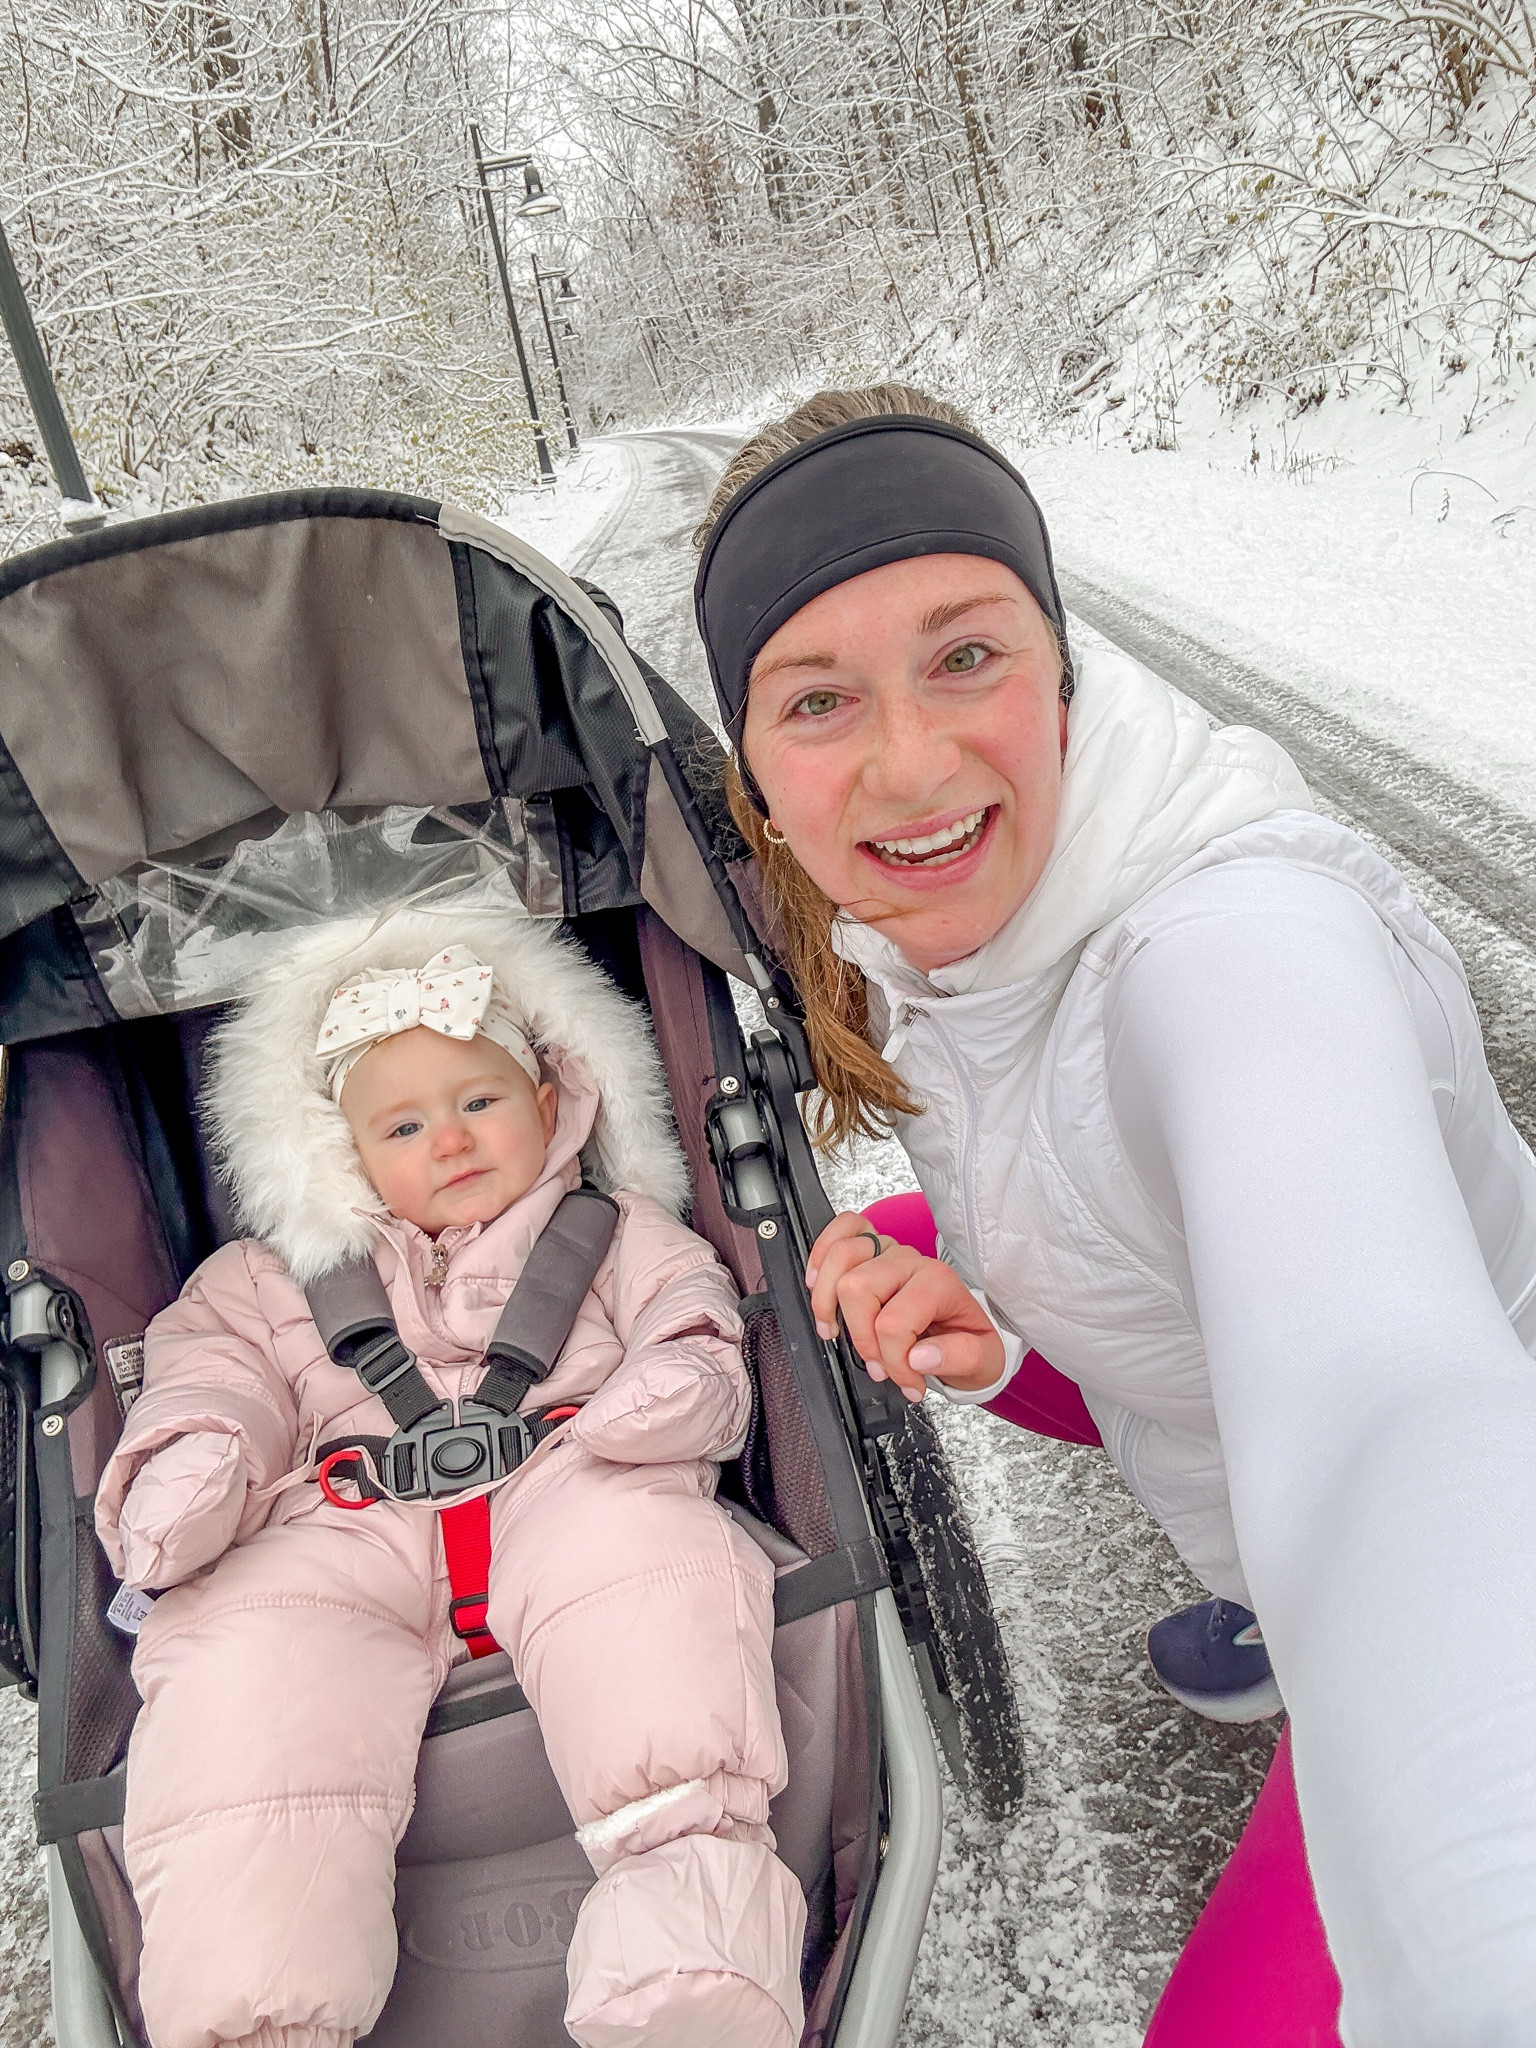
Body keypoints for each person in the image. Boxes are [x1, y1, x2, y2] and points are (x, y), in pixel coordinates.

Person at [691, 383, 1536, 2045]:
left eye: (966, 654)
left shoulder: (1234, 951)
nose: (913, 760)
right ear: (755, 778)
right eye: (818, 698)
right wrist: (1003, 1344)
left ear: (1061, 664)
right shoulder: (960, 955)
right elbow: (1187, 1313)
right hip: (1313, 1569)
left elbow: (1373, 1398)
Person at [94, 910, 804, 2048]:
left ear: (550, 1097)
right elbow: (210, 1373)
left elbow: (692, 1313)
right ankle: (254, 2011)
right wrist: (200, 1454)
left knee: (648, 1565)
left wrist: (677, 1382)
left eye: (482, 1100)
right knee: (248, 1673)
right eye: (404, 1124)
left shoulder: (609, 1227)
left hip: (569, 1474)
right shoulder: (269, 1275)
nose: (453, 1139)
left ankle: (688, 1947)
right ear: (340, 1152)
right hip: (337, 1527)